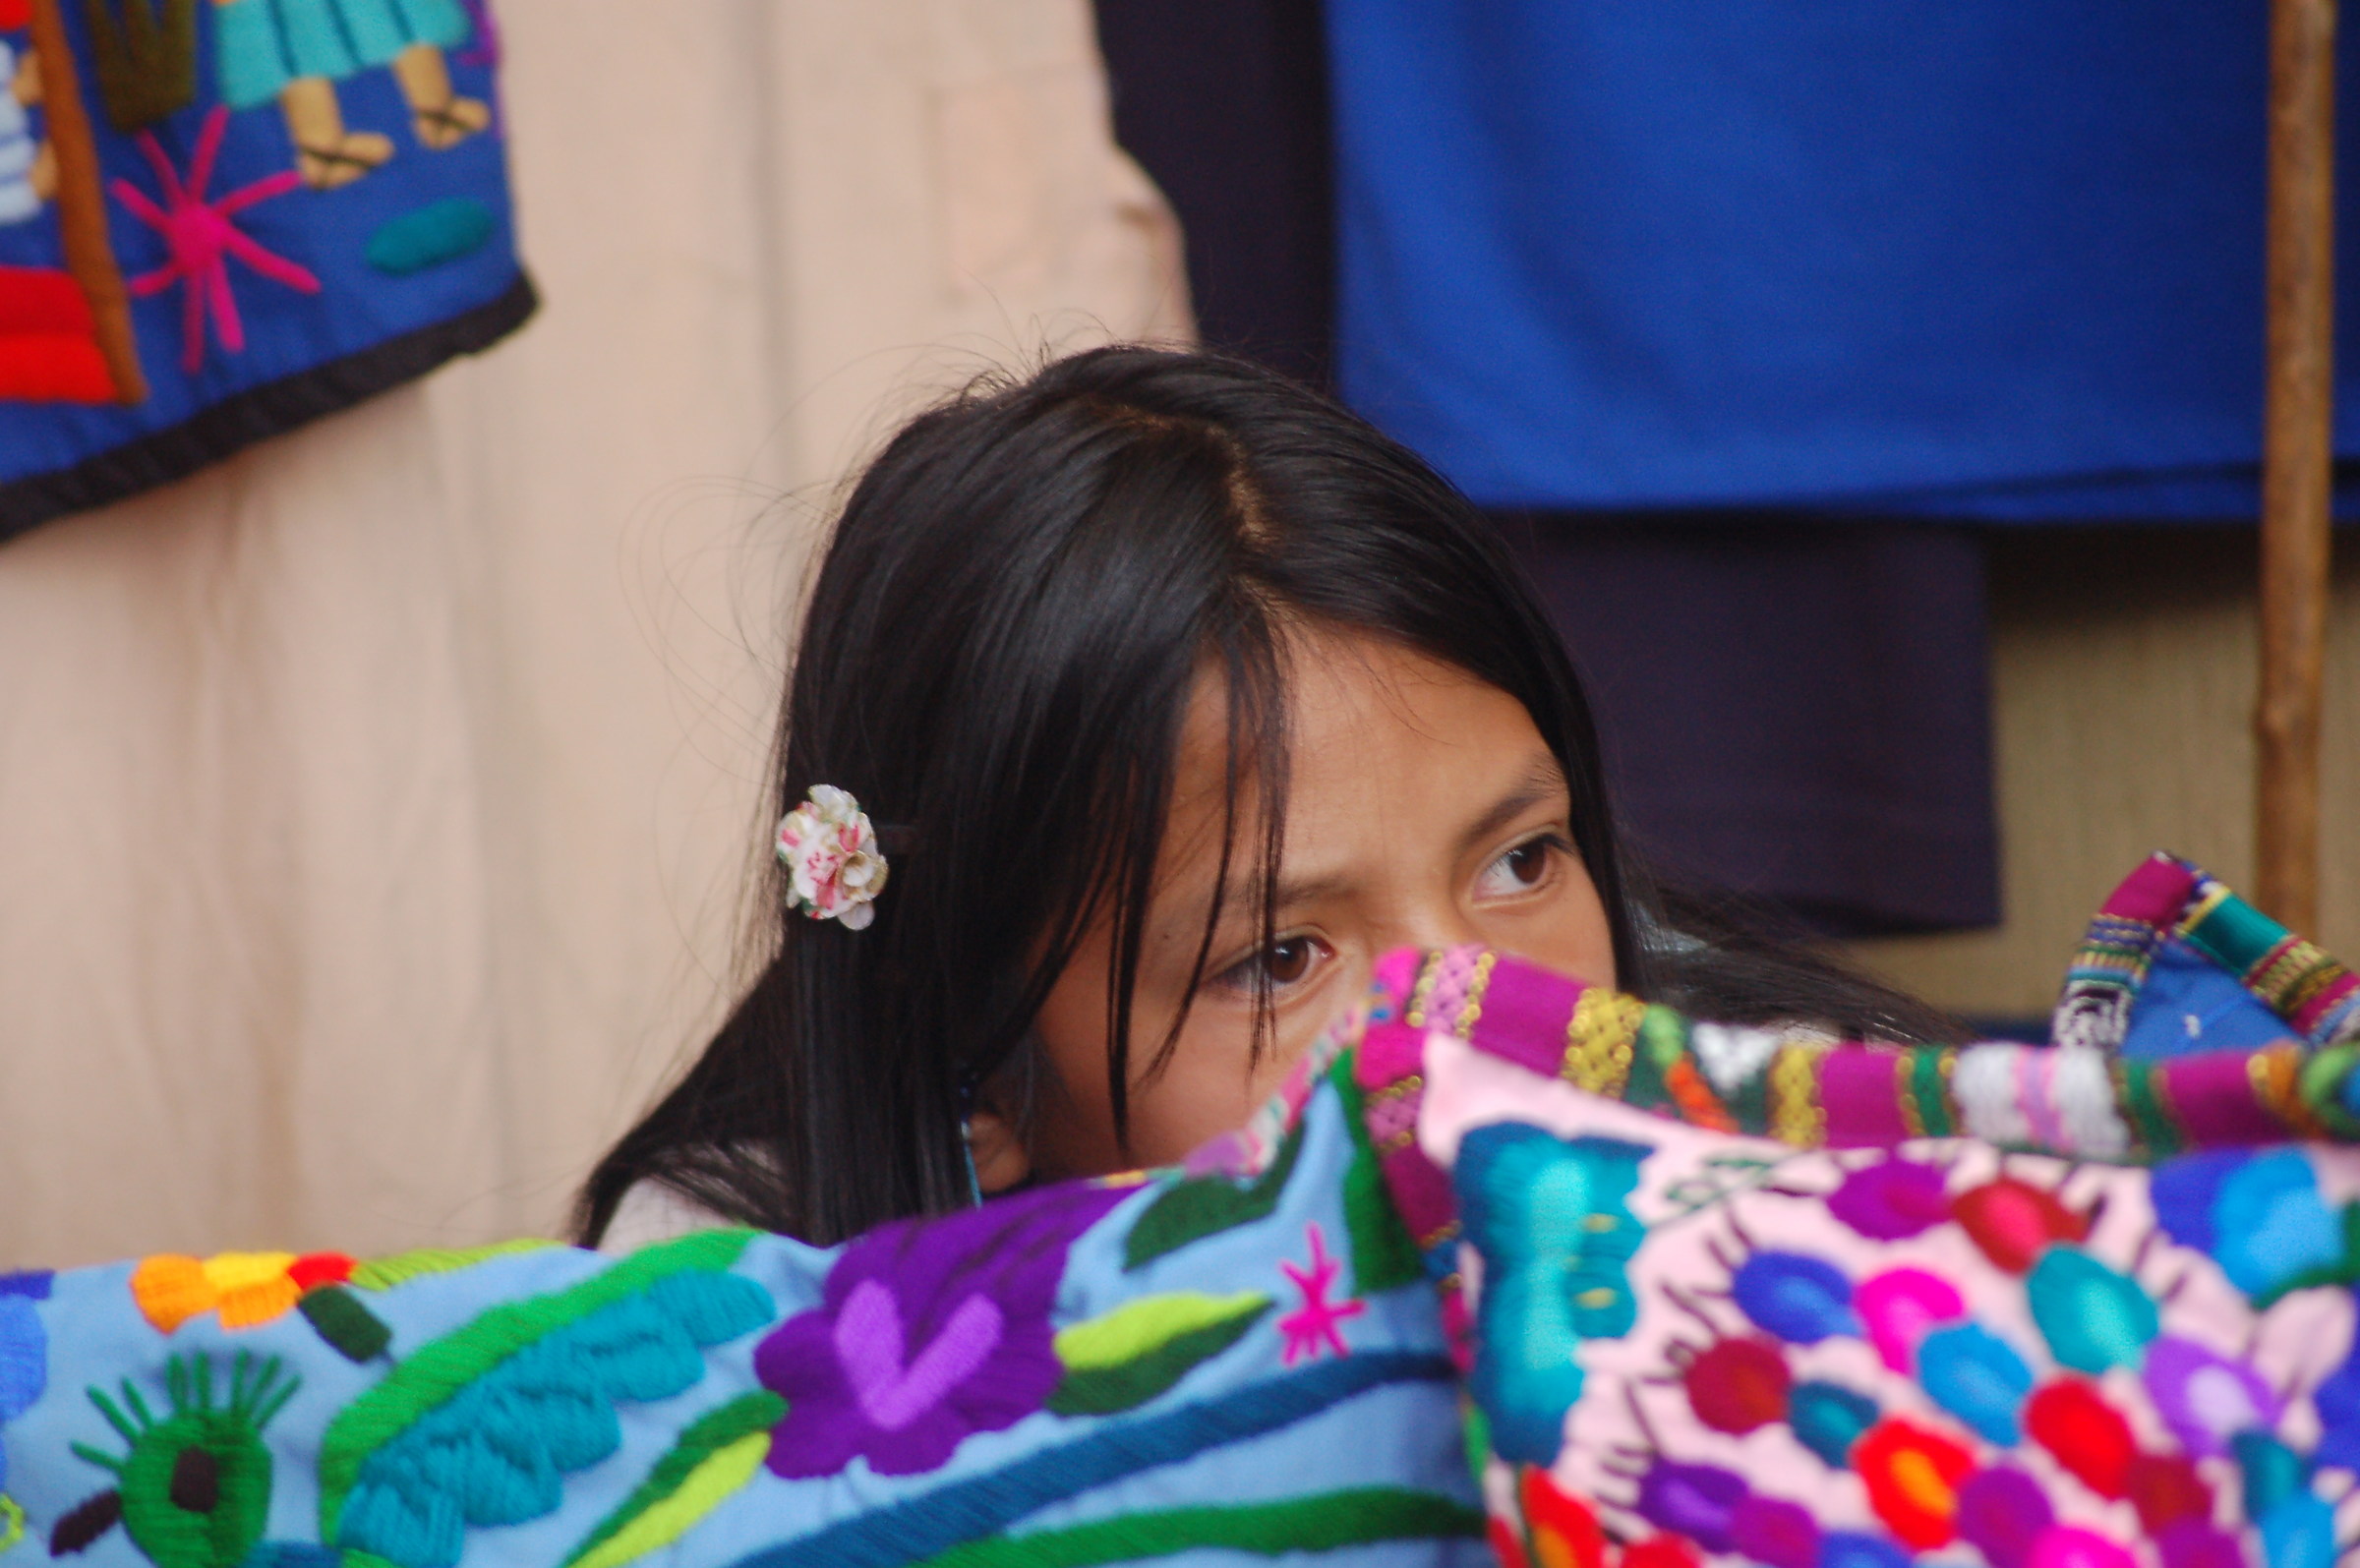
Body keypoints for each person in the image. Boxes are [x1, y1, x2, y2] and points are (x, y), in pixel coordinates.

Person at [578, 345, 1960, 1250]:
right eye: (1281, 957)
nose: (1479, 1017)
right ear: (979, 1074)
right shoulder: (744, 1339)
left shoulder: (1825, 1147)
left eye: (1523, 861)